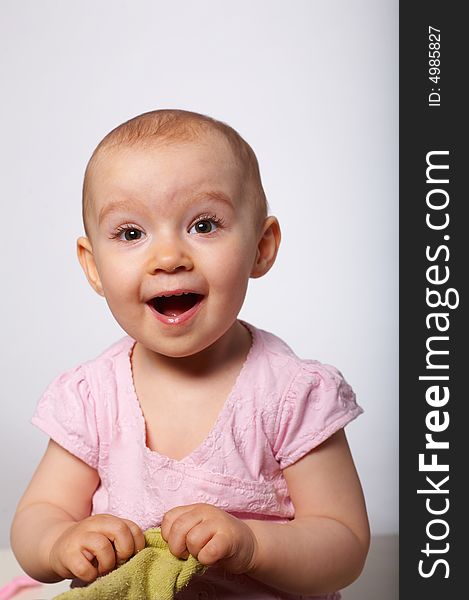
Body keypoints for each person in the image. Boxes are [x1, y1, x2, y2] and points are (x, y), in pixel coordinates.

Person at [10, 109, 370, 599]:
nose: (169, 258)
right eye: (131, 234)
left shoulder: (291, 394)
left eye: (204, 224)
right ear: (94, 267)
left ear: (261, 247)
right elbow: (35, 519)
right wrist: (59, 543)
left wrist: (252, 545)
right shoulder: (92, 397)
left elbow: (343, 544)